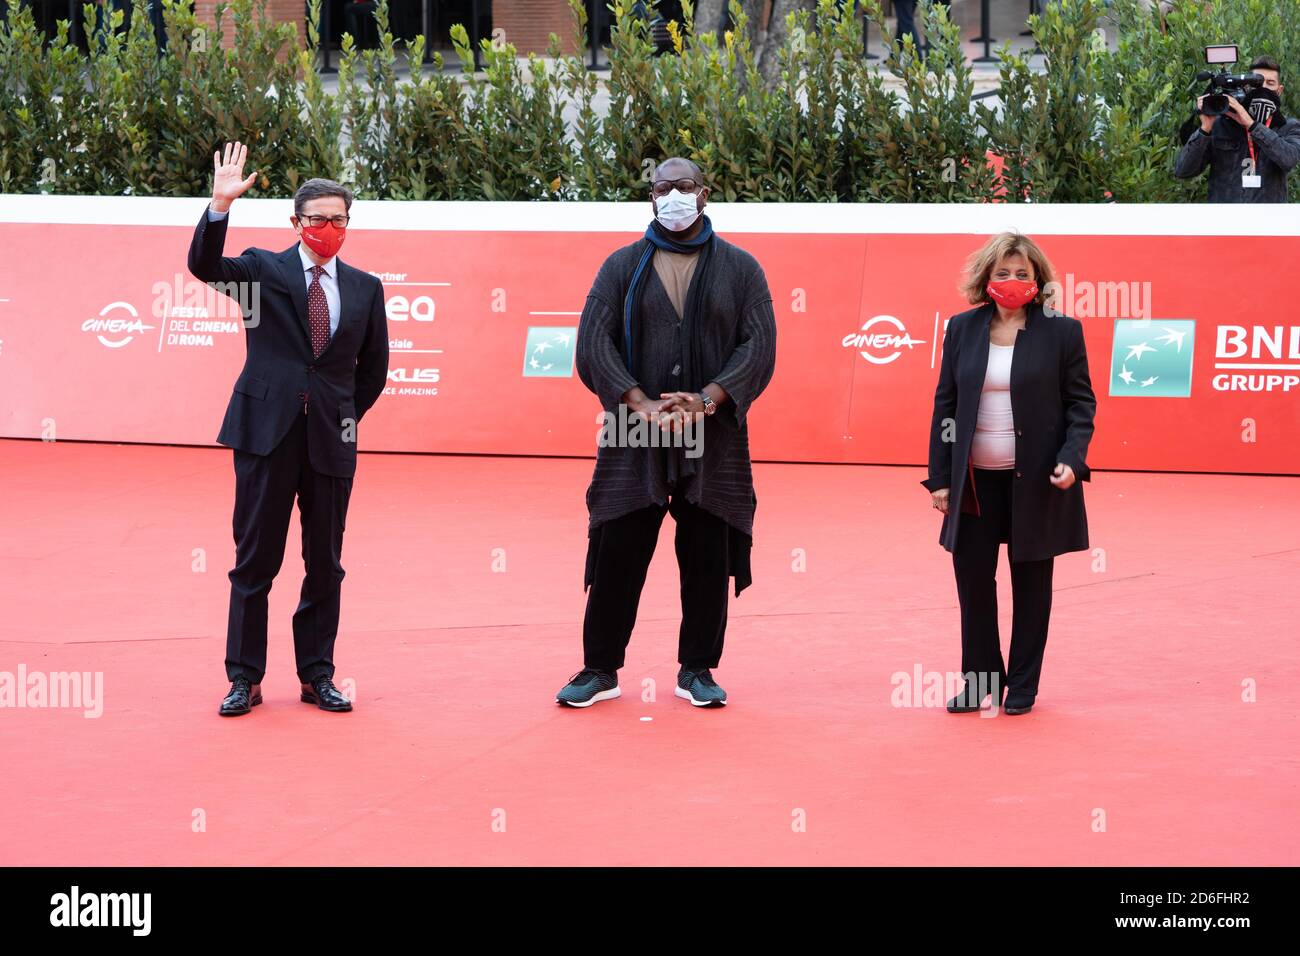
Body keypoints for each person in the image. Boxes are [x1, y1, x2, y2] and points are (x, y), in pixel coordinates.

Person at [555, 157, 777, 709]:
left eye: (683, 187)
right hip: (635, 429)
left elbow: (760, 346)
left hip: (714, 430)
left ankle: (697, 669)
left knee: (708, 551)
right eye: (662, 188)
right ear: (649, 196)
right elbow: (593, 343)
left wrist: (708, 398)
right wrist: (637, 401)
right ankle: (599, 669)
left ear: (704, 194)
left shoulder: (741, 268)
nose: (672, 196)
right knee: (618, 546)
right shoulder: (621, 266)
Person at [187, 142, 390, 717]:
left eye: (339, 219)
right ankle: (244, 678)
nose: (329, 227)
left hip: (331, 440)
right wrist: (219, 206)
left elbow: (373, 370)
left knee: (324, 563)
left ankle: (317, 675)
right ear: (296, 223)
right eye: (318, 218)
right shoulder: (261, 269)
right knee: (255, 561)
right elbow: (204, 267)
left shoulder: (364, 287)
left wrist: (343, 416)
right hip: (265, 434)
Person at [921, 232, 1096, 716]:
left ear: (1037, 280)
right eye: (1003, 273)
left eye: (1022, 274)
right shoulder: (961, 329)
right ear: (986, 279)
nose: (1013, 281)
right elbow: (946, 406)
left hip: (1037, 482)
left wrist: (1072, 458)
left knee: (1031, 586)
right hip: (974, 484)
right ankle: (979, 682)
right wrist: (940, 477)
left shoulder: (1062, 331)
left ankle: (1022, 685)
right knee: (974, 585)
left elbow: (1081, 404)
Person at [1174, 55, 1300, 202]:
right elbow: (1184, 171)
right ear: (1246, 86)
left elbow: (1289, 159)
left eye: (1270, 83)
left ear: (1279, 90)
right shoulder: (1221, 125)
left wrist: (1251, 125)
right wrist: (1205, 128)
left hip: (1267, 221)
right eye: (1257, 82)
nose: (1263, 88)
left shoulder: (1289, 126)